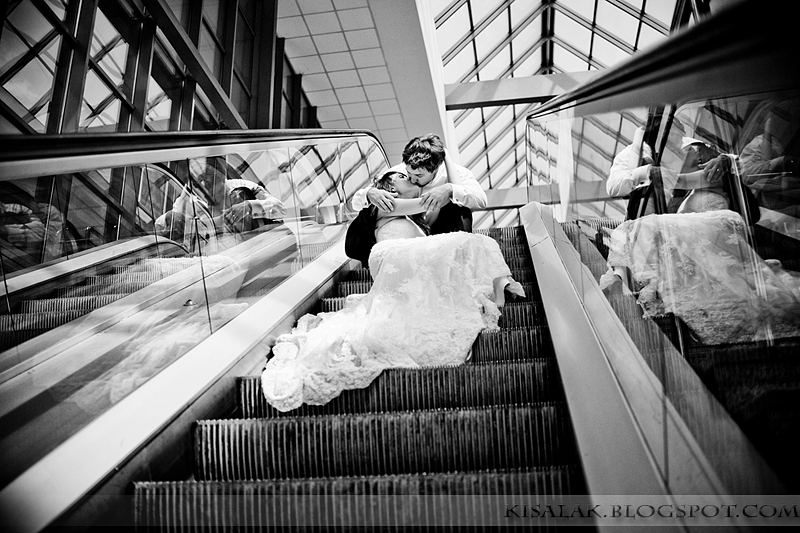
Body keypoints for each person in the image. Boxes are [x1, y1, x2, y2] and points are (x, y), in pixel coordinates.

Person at [262, 170, 523, 412]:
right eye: (401, 176)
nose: (409, 176)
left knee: (464, 247)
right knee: (472, 240)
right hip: (392, 255)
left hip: (407, 258)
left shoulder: (412, 217)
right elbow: (426, 203)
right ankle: (500, 288)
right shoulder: (385, 203)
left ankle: (495, 287)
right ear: (390, 187)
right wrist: (372, 192)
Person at [347, 135, 483, 265]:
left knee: (460, 205)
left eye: (418, 175)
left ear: (435, 168)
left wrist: (449, 189)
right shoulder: (398, 173)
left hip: (438, 231)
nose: (411, 179)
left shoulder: (457, 172)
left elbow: (481, 200)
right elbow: (357, 202)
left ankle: (462, 256)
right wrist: (370, 193)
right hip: (408, 244)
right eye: (407, 174)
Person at [155, 157, 287, 251]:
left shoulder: (243, 187)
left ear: (222, 174)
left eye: (210, 176)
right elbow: (161, 224)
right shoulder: (191, 199)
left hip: (255, 247)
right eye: (200, 179)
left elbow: (280, 209)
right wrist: (174, 216)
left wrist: (248, 206)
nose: (205, 183)